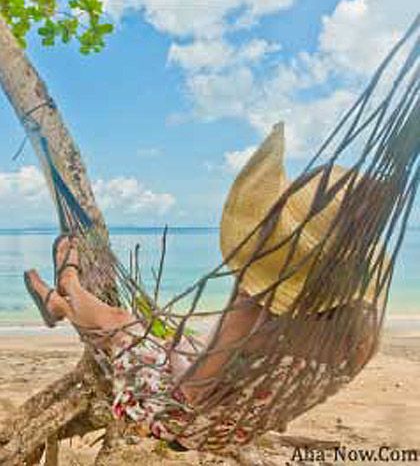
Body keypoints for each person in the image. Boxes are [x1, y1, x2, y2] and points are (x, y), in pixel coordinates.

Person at [23, 123, 379, 450]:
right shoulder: (363, 324)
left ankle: (66, 288)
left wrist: (176, 348)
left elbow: (192, 389)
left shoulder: (254, 306)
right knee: (158, 334)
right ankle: (62, 302)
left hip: (183, 419)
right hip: (238, 426)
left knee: (121, 322)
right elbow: (285, 386)